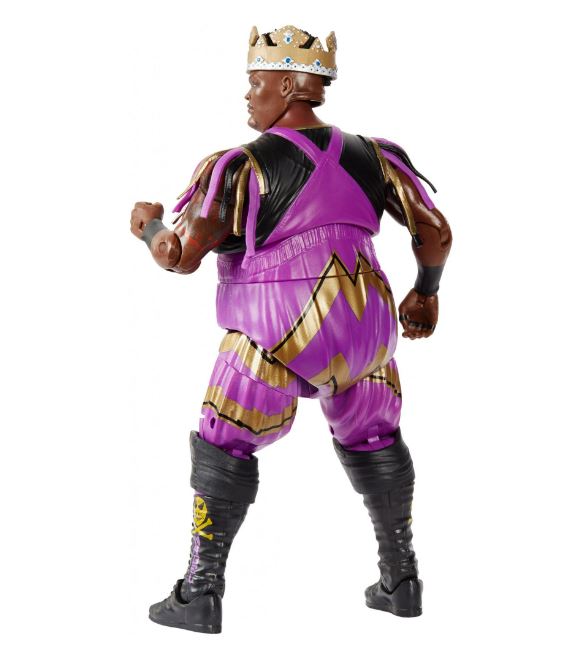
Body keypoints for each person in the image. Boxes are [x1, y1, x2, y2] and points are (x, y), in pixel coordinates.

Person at [130, 25, 452, 634]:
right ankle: (402, 579)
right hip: (365, 330)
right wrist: (426, 293)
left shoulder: (238, 166)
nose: (248, 95)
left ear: (286, 85)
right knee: (376, 439)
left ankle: (200, 590)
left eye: (256, 82)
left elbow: (179, 255)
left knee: (223, 443)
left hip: (274, 329)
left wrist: (147, 225)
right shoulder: (377, 156)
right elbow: (434, 232)